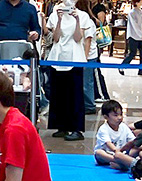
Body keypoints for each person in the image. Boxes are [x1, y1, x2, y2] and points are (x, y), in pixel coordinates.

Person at [46, 0, 92, 141]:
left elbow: (78, 38)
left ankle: (77, 128)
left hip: (75, 57)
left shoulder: (83, 15)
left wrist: (77, 20)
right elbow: (56, 38)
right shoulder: (55, 14)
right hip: (57, 56)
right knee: (58, 93)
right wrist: (59, 20)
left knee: (75, 94)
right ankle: (61, 126)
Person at [94, 99, 135, 167]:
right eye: (115, 115)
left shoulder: (123, 126)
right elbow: (108, 143)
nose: (119, 118)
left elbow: (132, 140)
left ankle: (122, 161)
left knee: (136, 150)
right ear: (106, 117)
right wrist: (116, 151)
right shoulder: (103, 129)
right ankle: (119, 161)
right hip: (108, 155)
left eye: (121, 114)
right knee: (99, 153)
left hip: (122, 154)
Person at [118, 0, 142, 77]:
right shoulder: (131, 13)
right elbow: (135, 26)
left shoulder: (140, 11)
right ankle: (122, 66)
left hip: (140, 36)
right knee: (132, 53)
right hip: (133, 36)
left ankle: (141, 70)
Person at [87, 0, 109, 103]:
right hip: (90, 40)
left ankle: (102, 94)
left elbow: (100, 23)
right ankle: (96, 93)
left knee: (96, 68)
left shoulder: (99, 8)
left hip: (95, 40)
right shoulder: (88, 6)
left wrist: (90, 13)